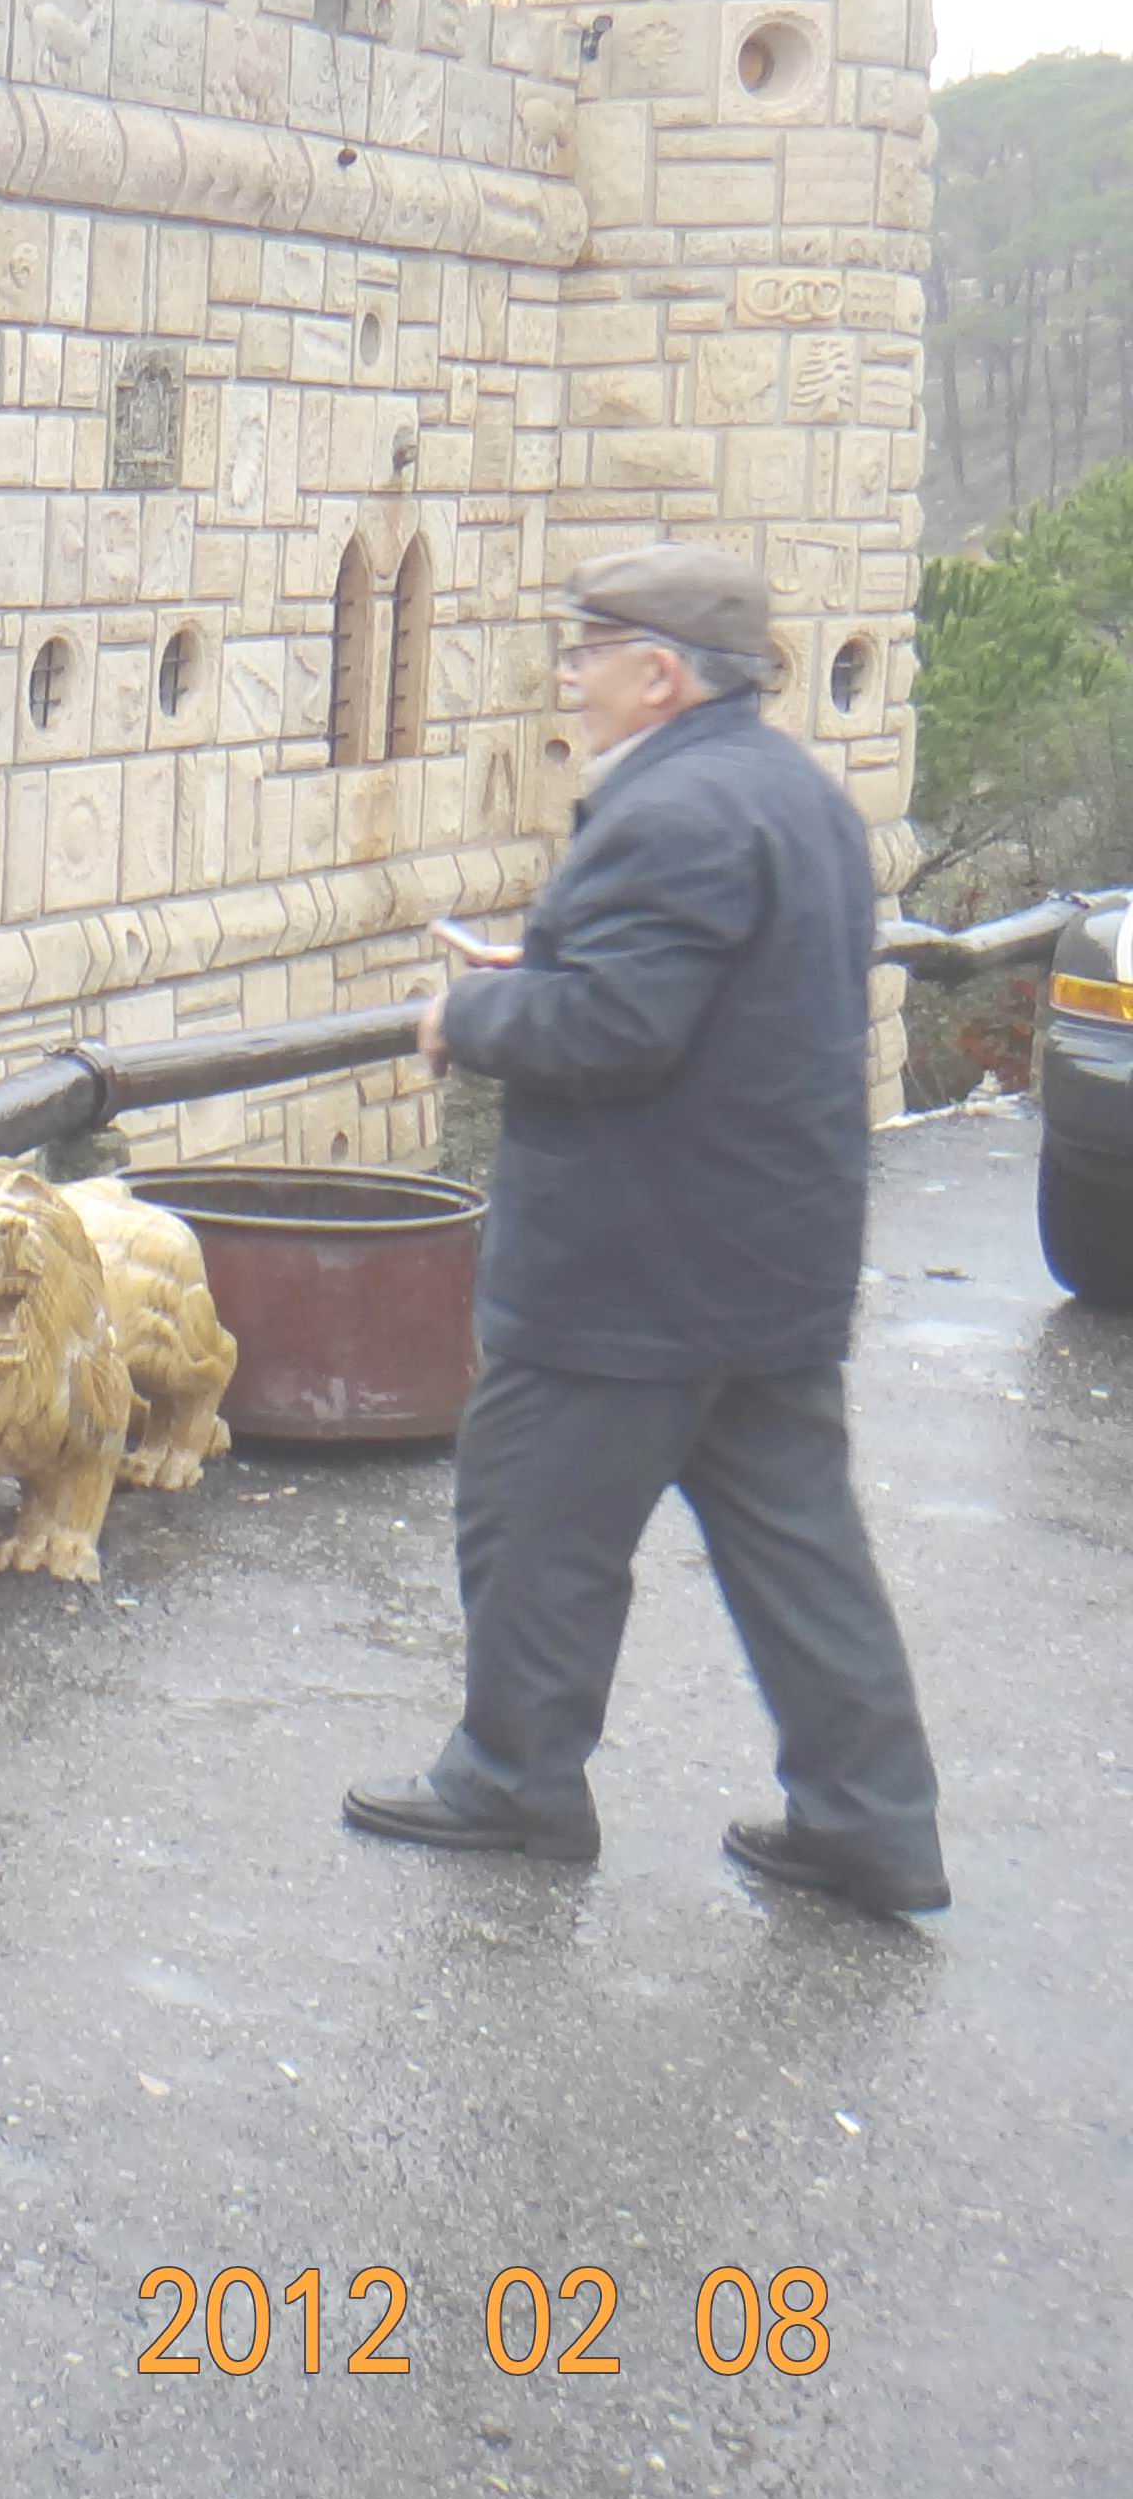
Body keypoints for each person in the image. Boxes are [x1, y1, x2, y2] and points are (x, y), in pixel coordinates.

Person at [344, 543, 948, 1915]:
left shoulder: (670, 812)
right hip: (773, 1261)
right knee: (800, 1552)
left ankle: (514, 1782)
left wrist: (471, 1014)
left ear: (661, 674)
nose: (570, 675)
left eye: (589, 651)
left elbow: (616, 1028)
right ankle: (871, 1823)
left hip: (629, 1275)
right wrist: (557, 968)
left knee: (533, 1527)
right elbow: (715, 995)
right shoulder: (797, 795)